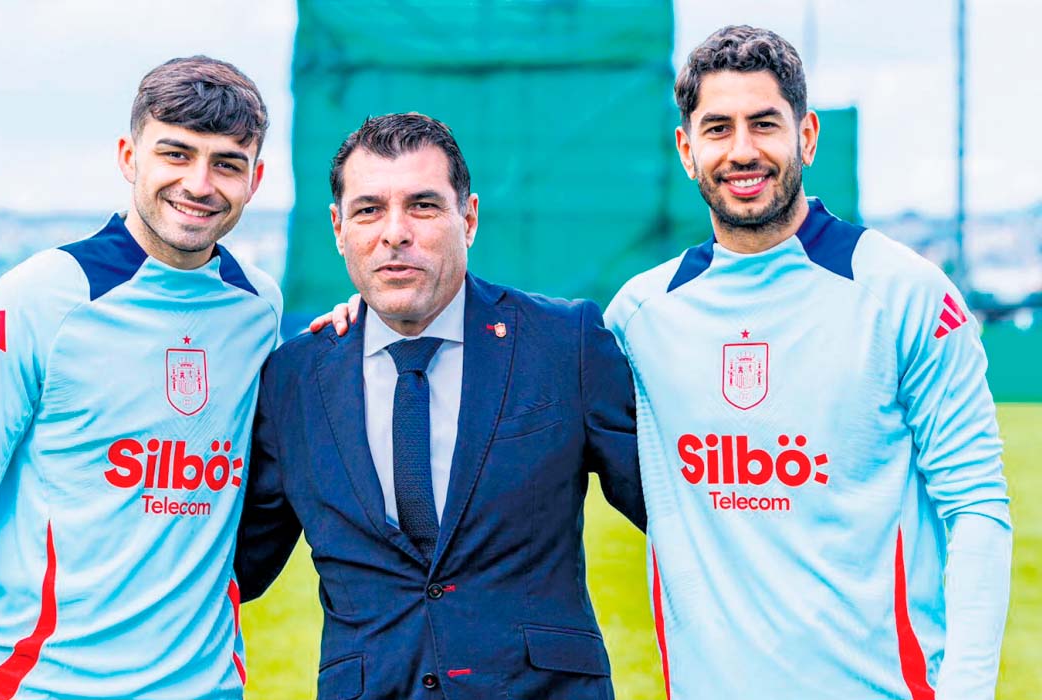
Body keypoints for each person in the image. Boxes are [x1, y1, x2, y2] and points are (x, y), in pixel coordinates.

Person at [604, 25, 1012, 699]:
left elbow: (976, 507)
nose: (742, 151)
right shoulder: (639, 316)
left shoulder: (905, 294)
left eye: (765, 124)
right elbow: (512, 368)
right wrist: (365, 321)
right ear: (685, 149)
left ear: (808, 136)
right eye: (717, 129)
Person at [235, 113, 647, 698]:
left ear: (469, 217)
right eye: (369, 209)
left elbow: (679, 510)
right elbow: (236, 566)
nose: (395, 232)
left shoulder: (565, 343)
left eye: (423, 206)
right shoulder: (294, 379)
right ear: (338, 227)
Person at [0, 56, 281, 699]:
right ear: (128, 156)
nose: (199, 183)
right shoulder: (35, 300)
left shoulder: (260, 310)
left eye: (226, 162)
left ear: (255, 179)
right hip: (46, 686)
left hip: (210, 687)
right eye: (176, 153)